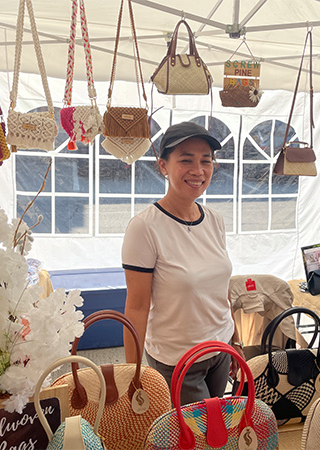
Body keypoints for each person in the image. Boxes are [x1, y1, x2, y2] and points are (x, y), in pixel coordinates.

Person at [121, 121, 245, 406]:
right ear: (163, 166)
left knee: (217, 426)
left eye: (206, 161)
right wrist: (132, 373)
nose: (198, 170)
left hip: (220, 348)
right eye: (186, 160)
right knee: (197, 436)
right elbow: (136, 307)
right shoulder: (144, 228)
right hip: (177, 359)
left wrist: (235, 340)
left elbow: (222, 288)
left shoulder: (214, 219)